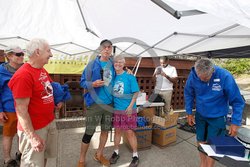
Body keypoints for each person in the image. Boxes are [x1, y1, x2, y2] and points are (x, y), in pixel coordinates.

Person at [184, 58, 245, 167]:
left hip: (218, 116)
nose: (203, 80)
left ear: (212, 71)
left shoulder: (225, 76)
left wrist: (235, 122)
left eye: (206, 78)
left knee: (213, 143)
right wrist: (189, 112)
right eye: (200, 78)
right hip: (200, 114)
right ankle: (203, 164)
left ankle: (209, 166)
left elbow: (237, 101)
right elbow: (189, 93)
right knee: (200, 140)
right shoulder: (193, 75)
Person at [8, 38, 60, 167]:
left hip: (48, 122)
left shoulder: (41, 70)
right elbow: (21, 110)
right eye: (48, 51)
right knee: (33, 164)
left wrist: (55, 101)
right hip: (35, 129)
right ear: (37, 52)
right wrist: (32, 137)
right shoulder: (23, 76)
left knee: (45, 158)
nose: (51, 54)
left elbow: (46, 90)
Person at [77, 39, 115, 167]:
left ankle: (99, 154)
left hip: (109, 104)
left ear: (111, 49)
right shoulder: (92, 64)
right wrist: (92, 84)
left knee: (105, 131)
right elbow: (82, 82)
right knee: (89, 132)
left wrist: (128, 73)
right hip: (94, 104)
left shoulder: (114, 64)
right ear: (100, 49)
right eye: (104, 47)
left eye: (109, 47)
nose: (106, 49)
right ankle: (81, 160)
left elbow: (118, 78)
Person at [109, 55, 140, 167]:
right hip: (117, 110)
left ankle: (135, 156)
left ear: (124, 64)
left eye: (120, 62)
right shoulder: (112, 77)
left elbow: (136, 92)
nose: (118, 64)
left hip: (128, 110)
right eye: (116, 62)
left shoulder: (129, 76)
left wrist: (131, 106)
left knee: (129, 133)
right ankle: (116, 152)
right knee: (117, 131)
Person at [0, 46, 24, 167]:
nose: (22, 56)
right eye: (18, 54)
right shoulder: (1, 71)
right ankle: (7, 159)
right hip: (9, 109)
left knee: (22, 133)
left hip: (24, 108)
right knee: (8, 134)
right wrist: (0, 110)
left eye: (22, 54)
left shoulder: (25, 69)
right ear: (9, 56)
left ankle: (20, 152)